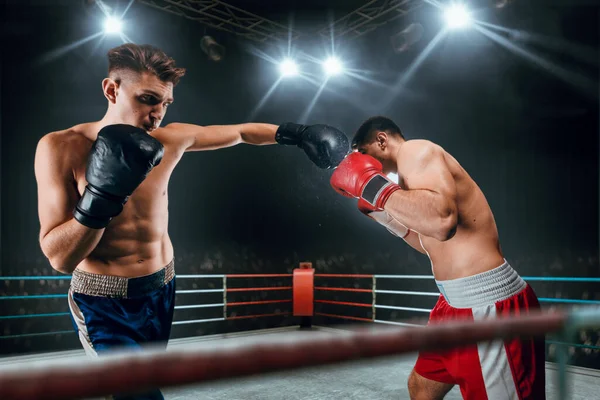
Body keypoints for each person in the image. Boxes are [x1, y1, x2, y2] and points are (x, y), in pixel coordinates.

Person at [34, 43, 349, 400]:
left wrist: (297, 133)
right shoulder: (61, 147)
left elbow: (241, 132)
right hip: (102, 304)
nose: (157, 115)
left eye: (165, 103)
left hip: (161, 289)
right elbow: (59, 257)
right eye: (148, 99)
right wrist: (102, 197)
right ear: (111, 89)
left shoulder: (169, 140)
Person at [330, 116, 545, 400]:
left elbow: (442, 221)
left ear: (382, 140)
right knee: (421, 387)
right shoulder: (409, 182)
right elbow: (428, 243)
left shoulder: (416, 151)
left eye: (363, 154)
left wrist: (371, 186)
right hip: (450, 306)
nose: (361, 163)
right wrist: (385, 218)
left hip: (486, 306)